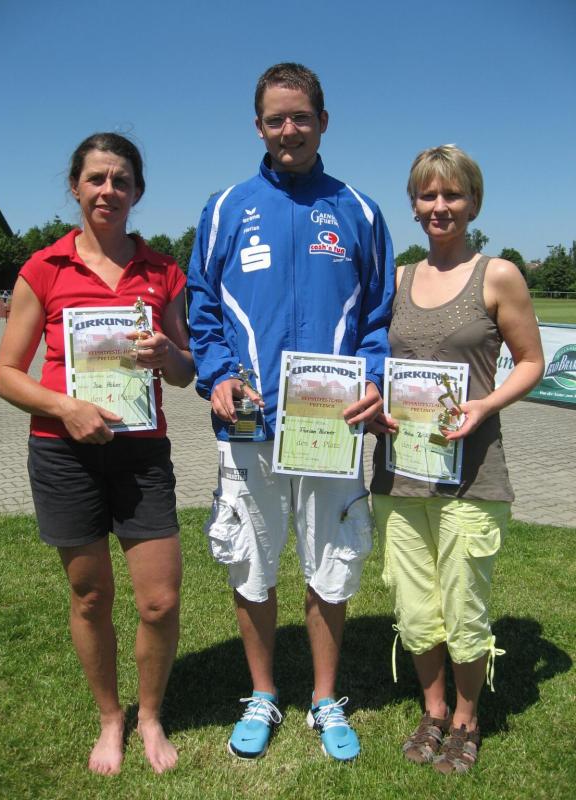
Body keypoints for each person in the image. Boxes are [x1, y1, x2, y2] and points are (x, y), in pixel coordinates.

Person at [187, 63, 395, 761]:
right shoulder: (226, 207)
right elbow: (201, 304)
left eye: (301, 117)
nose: (289, 130)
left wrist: (371, 378)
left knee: (331, 562)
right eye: (276, 118)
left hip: (331, 426)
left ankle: (325, 697)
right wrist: (217, 374)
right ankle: (264, 693)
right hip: (248, 423)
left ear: (322, 122)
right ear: (259, 127)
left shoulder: (360, 210)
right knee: (250, 562)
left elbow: (379, 316)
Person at [0, 133, 194, 776]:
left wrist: (169, 354)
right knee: (89, 596)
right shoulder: (43, 267)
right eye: (97, 178)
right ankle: (111, 717)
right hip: (63, 453)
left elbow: (187, 371)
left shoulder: (163, 272)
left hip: (141, 456)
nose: (109, 190)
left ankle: (150, 714)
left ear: (138, 191)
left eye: (122, 180)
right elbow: (5, 374)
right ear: (76, 186)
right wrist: (65, 407)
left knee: (159, 601)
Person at [369, 144, 544, 774]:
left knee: (465, 609)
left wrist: (484, 404)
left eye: (452, 194)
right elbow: (374, 359)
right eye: (428, 195)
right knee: (416, 609)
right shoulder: (396, 279)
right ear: (414, 205)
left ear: (473, 202)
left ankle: (468, 719)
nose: (439, 206)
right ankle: (434, 709)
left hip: (472, 474)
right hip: (398, 473)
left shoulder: (497, 275)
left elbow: (532, 361)